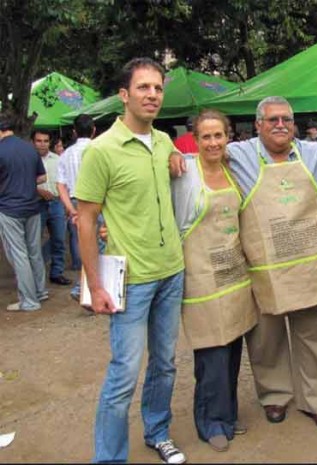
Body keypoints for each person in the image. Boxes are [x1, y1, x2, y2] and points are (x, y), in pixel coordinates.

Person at [170, 96, 317, 433]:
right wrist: (171, 153)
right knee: (267, 341)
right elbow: (203, 153)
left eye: (286, 120)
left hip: (309, 268)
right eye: (272, 120)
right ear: (258, 125)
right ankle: (274, 396)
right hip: (265, 271)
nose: (280, 125)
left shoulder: (314, 153)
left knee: (315, 341)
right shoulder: (240, 154)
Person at [75, 57, 186, 464]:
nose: (152, 95)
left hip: (172, 272)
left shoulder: (162, 142)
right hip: (132, 280)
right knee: (123, 373)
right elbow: (85, 220)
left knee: (166, 364)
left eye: (157, 88)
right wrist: (95, 286)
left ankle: (157, 431)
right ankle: (109, 458)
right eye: (143, 87)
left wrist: (175, 153)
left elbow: (171, 160)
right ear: (124, 95)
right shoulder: (102, 150)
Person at [170, 109, 258, 452]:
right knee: (212, 352)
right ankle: (211, 421)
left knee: (233, 346)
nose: (213, 142)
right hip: (201, 273)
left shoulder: (233, 168)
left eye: (218, 135)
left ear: (228, 136)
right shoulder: (184, 171)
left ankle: (228, 412)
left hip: (234, 272)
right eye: (205, 136)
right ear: (195, 138)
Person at [0, 111, 48, 312]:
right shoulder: (30, 150)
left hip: (9, 209)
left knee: (19, 254)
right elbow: (42, 177)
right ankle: (40, 291)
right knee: (34, 250)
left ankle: (29, 300)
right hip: (32, 206)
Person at [57, 114, 97, 300]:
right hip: (98, 202)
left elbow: (60, 185)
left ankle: (85, 286)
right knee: (102, 245)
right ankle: (83, 287)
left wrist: (70, 208)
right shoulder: (99, 150)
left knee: (81, 243)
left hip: (75, 202)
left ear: (74, 132)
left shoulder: (66, 154)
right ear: (94, 130)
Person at [33, 129, 71, 286]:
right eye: (39, 141)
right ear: (33, 142)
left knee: (59, 240)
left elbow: (64, 182)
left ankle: (57, 273)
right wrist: (38, 190)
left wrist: (66, 204)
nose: (42, 144)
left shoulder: (58, 159)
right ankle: (36, 276)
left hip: (56, 203)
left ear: (50, 142)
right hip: (36, 205)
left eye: (45, 141)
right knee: (34, 242)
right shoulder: (28, 159)